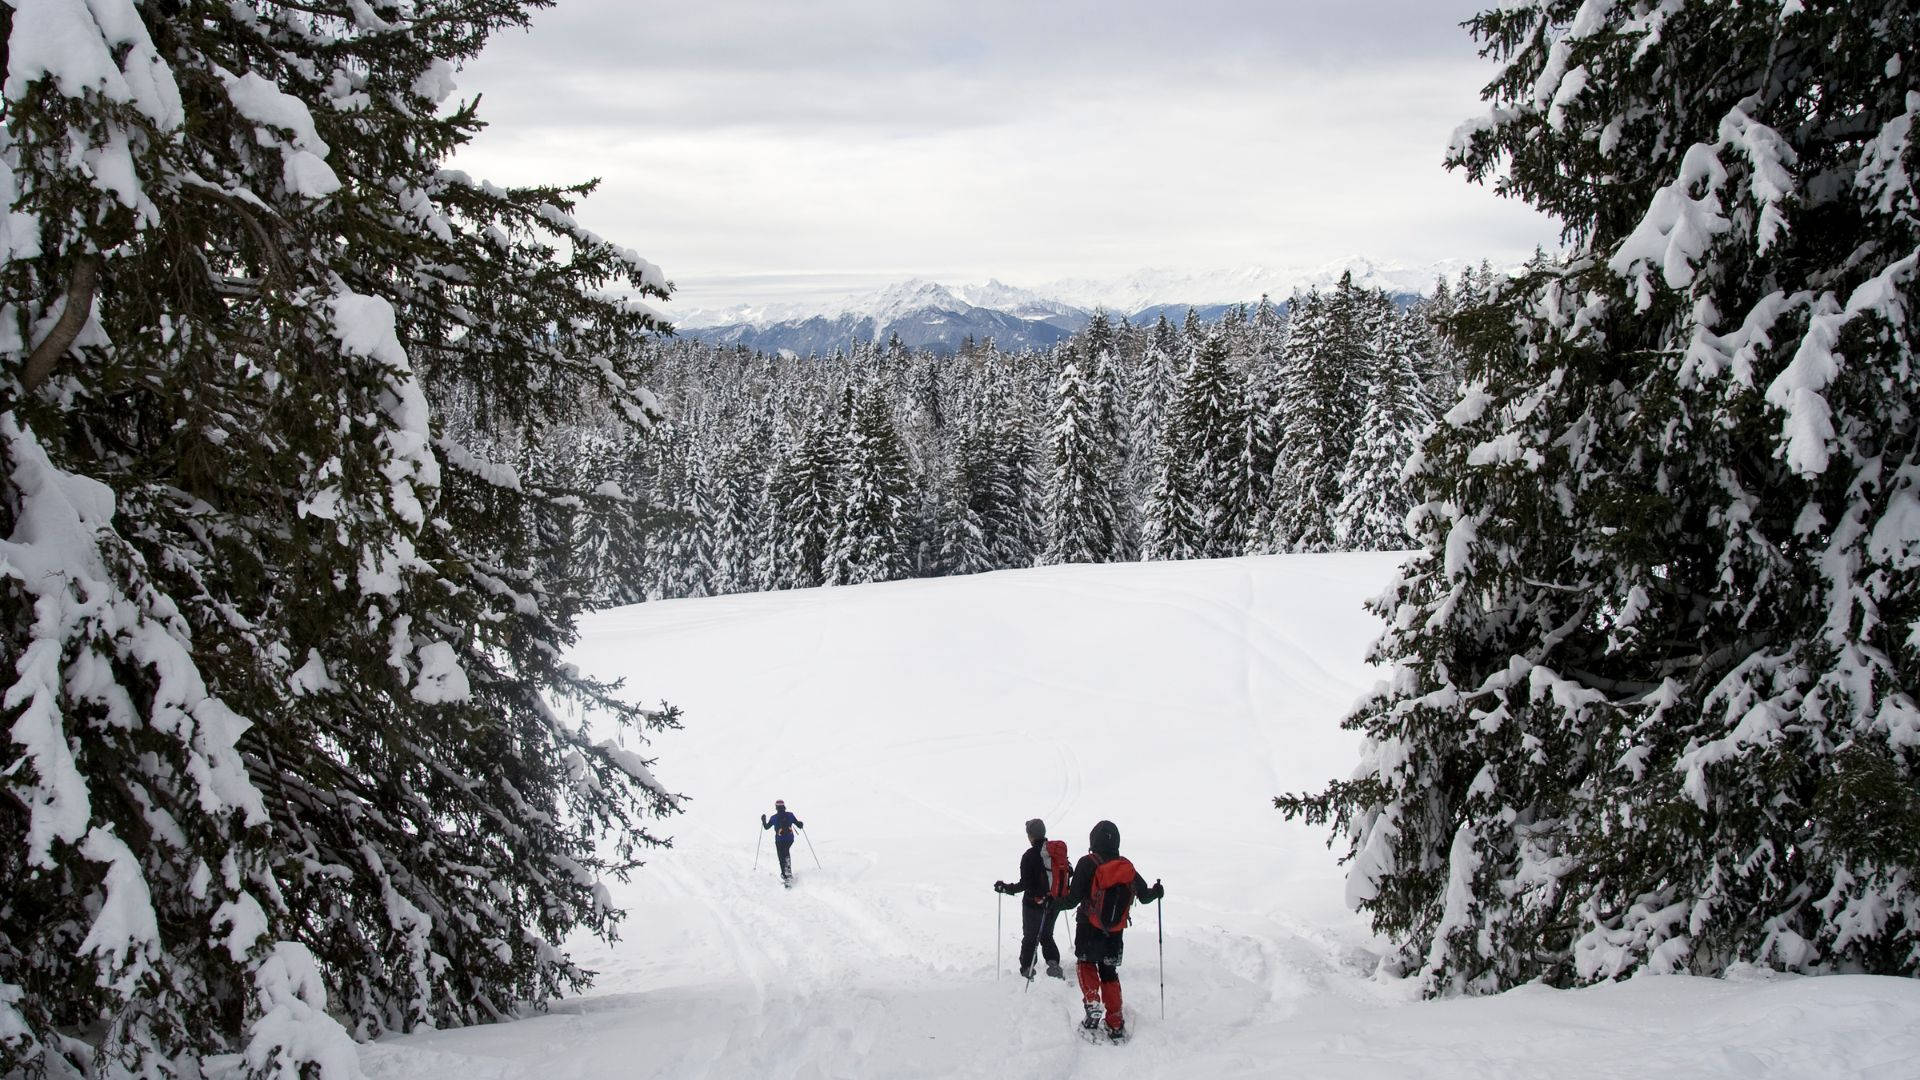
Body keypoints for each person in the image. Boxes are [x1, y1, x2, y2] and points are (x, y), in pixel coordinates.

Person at [1054, 819, 1162, 1041]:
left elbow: (1072, 900)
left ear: (1093, 839)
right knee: (1109, 972)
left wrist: (1052, 903)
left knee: (1085, 963)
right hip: (1115, 932)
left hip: (1088, 926)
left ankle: (1092, 1003)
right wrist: (1157, 891)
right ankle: (1115, 1022)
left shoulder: (1087, 863)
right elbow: (1145, 896)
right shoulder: (1126, 866)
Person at [992, 818, 1066, 981]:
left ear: (1030, 836)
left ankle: (1027, 969)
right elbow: (1069, 871)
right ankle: (1053, 963)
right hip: (1054, 903)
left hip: (1034, 904)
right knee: (1047, 934)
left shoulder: (1029, 855)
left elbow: (1024, 884)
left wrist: (1005, 888)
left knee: (1030, 937)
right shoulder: (1055, 851)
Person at [761, 799, 804, 885]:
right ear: (784, 806)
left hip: (779, 840)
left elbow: (766, 827)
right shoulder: (790, 815)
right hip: (790, 839)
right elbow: (798, 824)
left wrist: (763, 820)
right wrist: (801, 823)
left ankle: (785, 876)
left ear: (776, 807)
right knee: (786, 852)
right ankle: (788, 873)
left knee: (781, 857)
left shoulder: (773, 817)